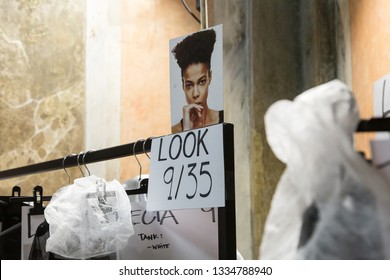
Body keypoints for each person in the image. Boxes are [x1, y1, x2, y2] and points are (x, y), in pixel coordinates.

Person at [171, 29, 223, 133]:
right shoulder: (175, 131)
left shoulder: (223, 120)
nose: (195, 94)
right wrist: (186, 130)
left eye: (202, 82)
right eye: (189, 85)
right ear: (182, 85)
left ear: (210, 77)